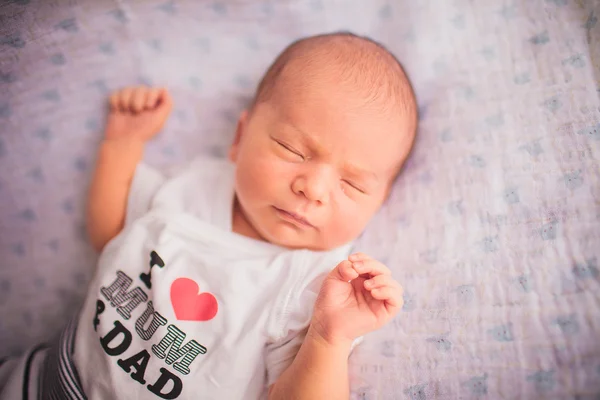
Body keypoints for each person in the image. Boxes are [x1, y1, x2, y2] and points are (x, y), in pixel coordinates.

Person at [0, 31, 417, 399]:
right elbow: (111, 237)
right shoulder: (196, 186)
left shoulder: (317, 286)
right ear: (240, 137)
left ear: (379, 202)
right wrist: (121, 147)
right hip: (44, 375)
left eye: (353, 185)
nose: (314, 188)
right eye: (292, 149)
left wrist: (329, 338)